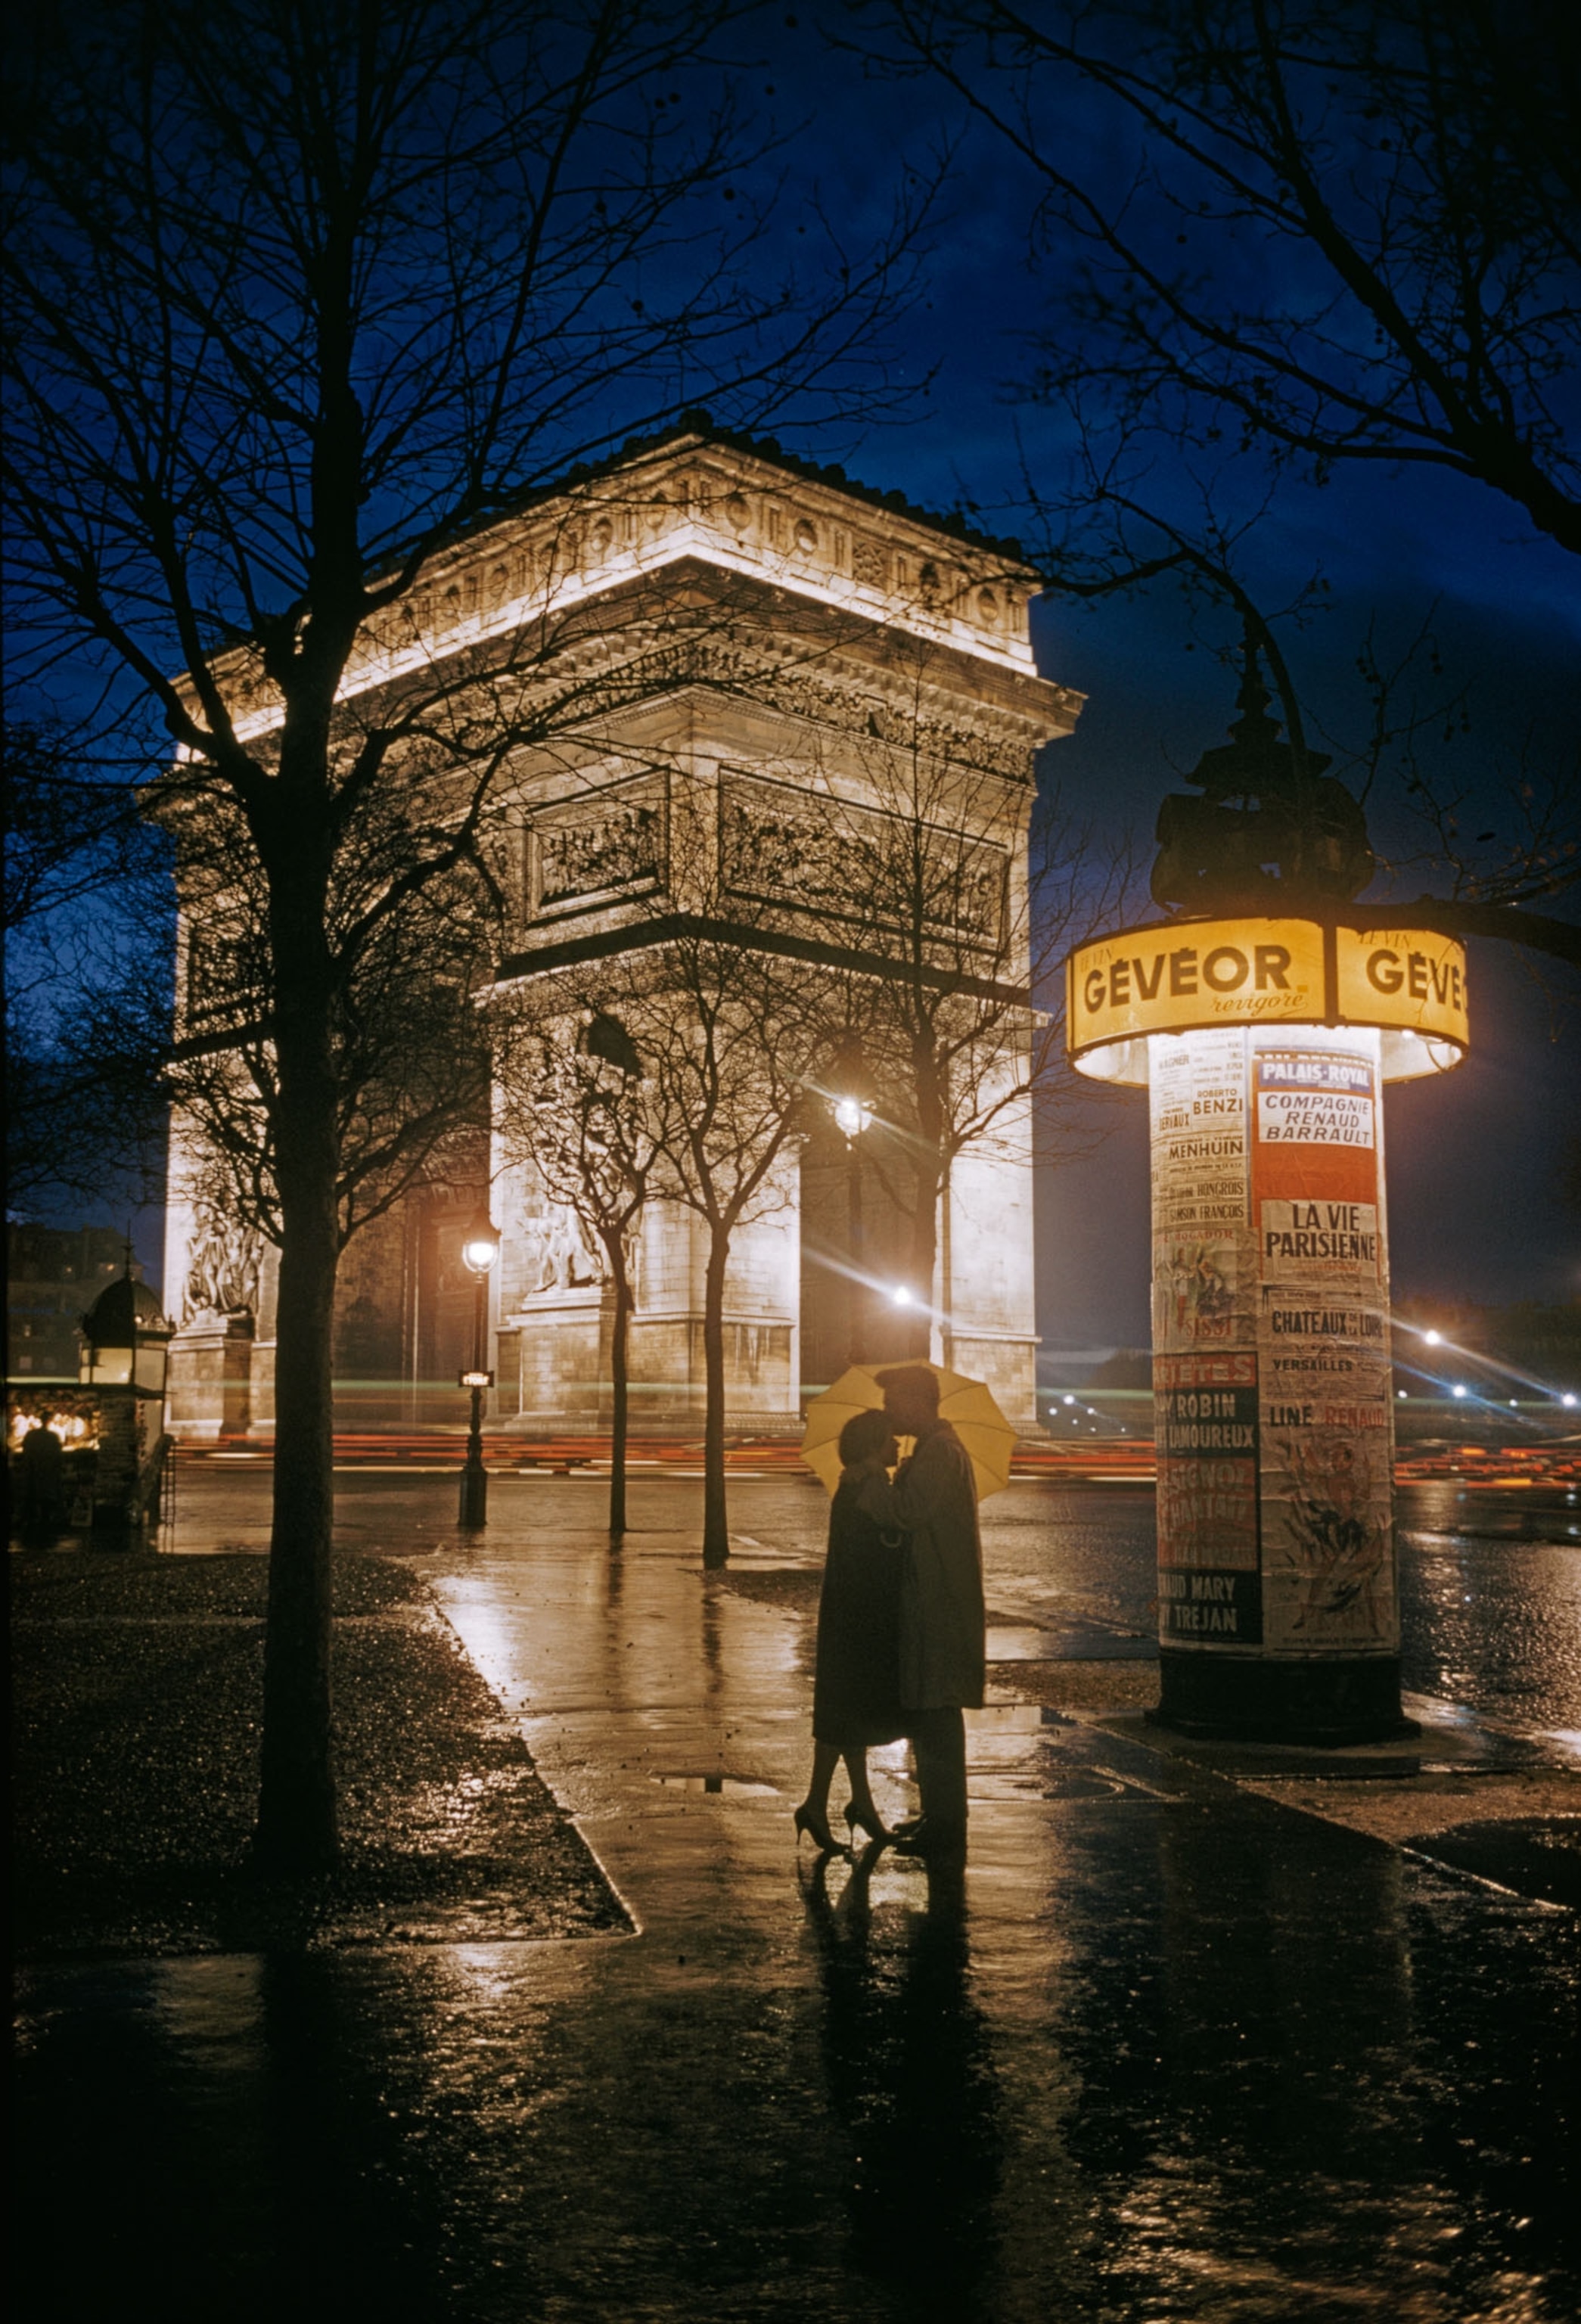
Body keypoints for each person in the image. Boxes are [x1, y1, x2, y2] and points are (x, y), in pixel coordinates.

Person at [863, 1365, 985, 1862]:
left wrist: (870, 1483)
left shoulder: (940, 1453)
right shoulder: (932, 1450)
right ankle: (939, 1816)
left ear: (917, 1401)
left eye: (894, 1402)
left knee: (936, 1712)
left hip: (939, 1599)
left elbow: (909, 1513)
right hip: (931, 1595)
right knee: (931, 1712)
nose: (889, 1412)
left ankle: (948, 1825)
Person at [794, 1407, 909, 1854]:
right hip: (861, 1613)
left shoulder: (855, 1484)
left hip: (848, 1607)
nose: (898, 1444)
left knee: (848, 1709)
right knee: (847, 1711)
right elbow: (905, 1521)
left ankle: (852, 1803)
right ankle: (819, 1805)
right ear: (872, 1445)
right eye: (890, 1439)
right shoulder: (870, 1487)